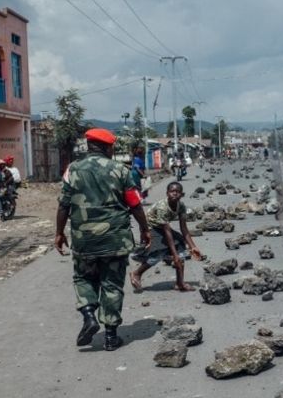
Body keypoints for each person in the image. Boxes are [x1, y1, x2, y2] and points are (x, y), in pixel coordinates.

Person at [55, 128, 151, 351]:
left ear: (89, 147)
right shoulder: (121, 170)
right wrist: (145, 229)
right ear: (108, 147)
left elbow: (64, 204)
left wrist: (59, 233)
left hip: (84, 239)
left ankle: (89, 315)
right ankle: (110, 337)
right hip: (115, 239)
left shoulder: (73, 170)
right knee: (112, 284)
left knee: (83, 278)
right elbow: (135, 204)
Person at [129, 181, 202, 293]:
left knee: (181, 247)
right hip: (150, 227)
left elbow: (184, 229)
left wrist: (193, 247)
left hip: (162, 227)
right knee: (159, 251)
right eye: (172, 191)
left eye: (178, 192)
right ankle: (137, 273)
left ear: (182, 194)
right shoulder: (163, 207)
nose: (175, 194)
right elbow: (167, 231)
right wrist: (174, 255)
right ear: (167, 193)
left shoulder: (181, 206)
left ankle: (180, 282)